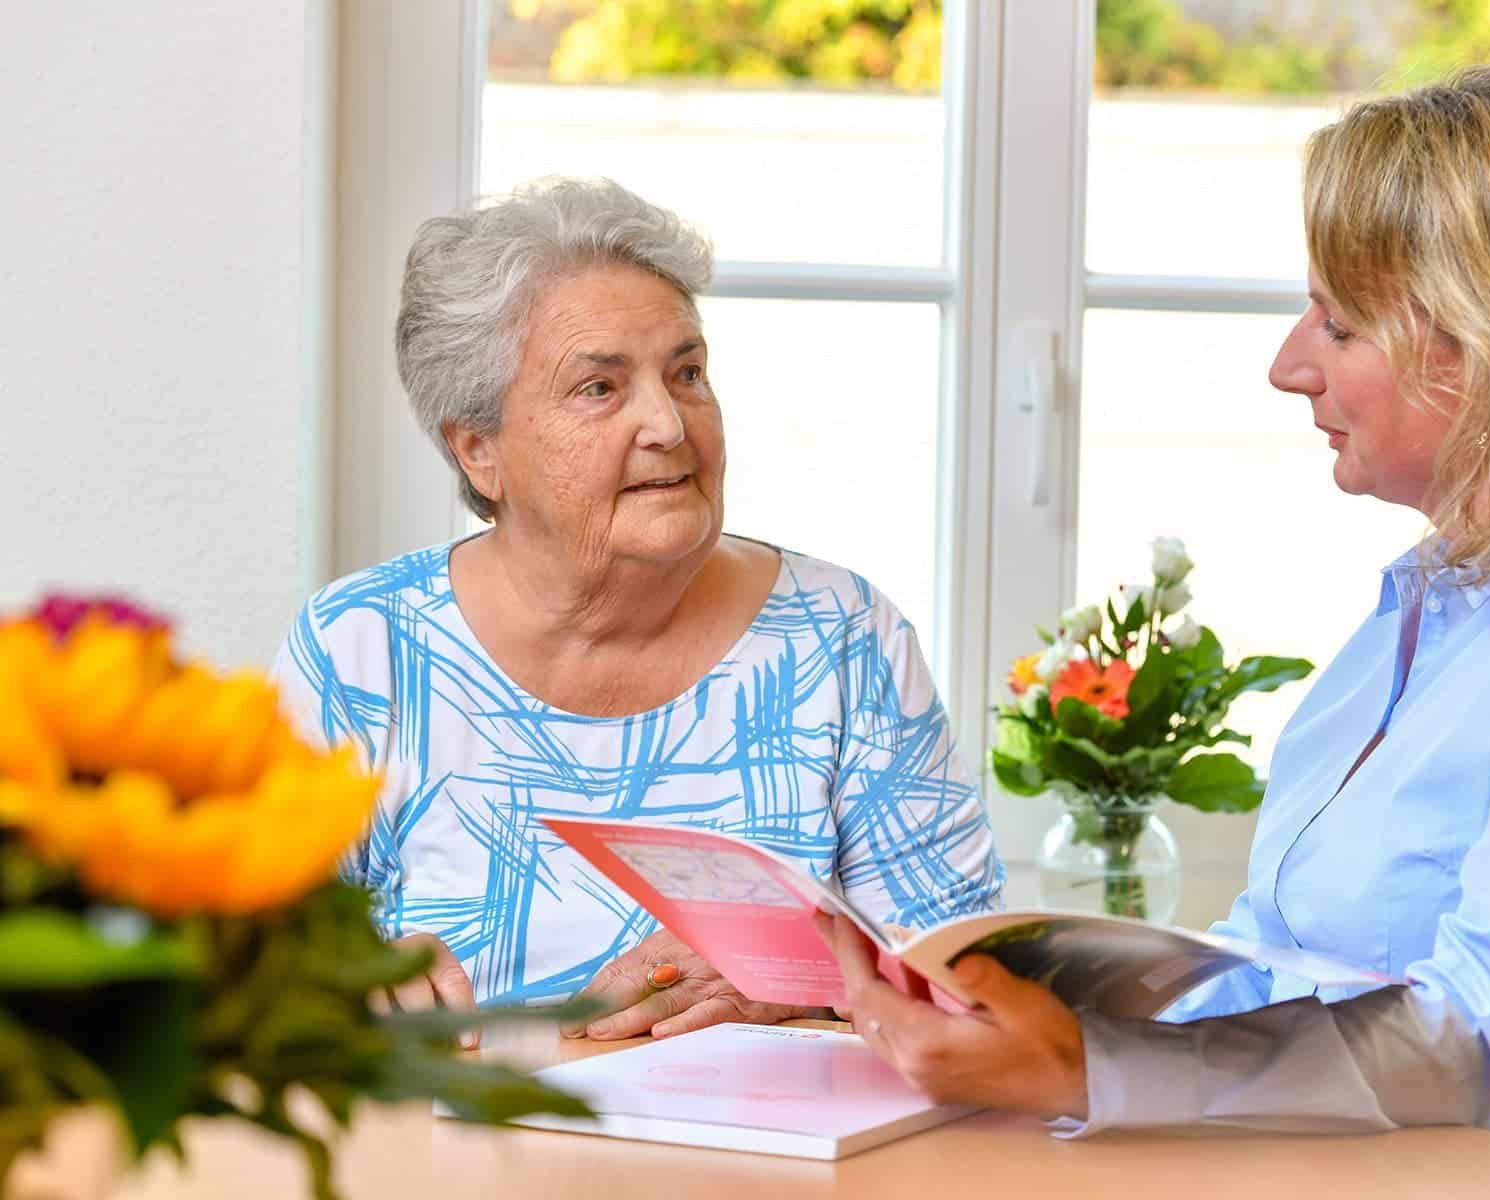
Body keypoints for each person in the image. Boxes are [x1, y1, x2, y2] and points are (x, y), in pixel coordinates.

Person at [818, 64, 1490, 1188]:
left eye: (1339, 322)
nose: (1290, 366)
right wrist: (1008, 1002)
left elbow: (1486, 1033)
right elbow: (1278, 971)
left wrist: (1090, 1067)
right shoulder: (1429, 607)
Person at [273, 178, 1003, 1043]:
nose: (668, 422)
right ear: (479, 451)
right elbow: (233, 971)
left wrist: (803, 979)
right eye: (600, 388)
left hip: (770, 1168)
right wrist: (343, 981)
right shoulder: (362, 650)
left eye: (686, 372)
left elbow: (976, 987)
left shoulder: (842, 637)